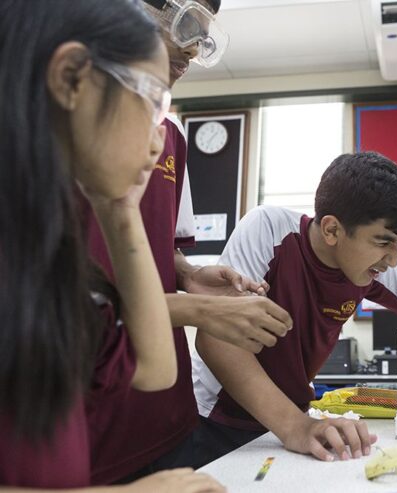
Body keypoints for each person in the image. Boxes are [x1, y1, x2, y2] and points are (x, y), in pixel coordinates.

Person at [0, 0, 222, 490]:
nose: (157, 137)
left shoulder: (54, 263)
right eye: (150, 100)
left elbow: (155, 368)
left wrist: (119, 209)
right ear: (73, 79)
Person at [83, 0, 293, 484]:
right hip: (88, 410)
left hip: (163, 407)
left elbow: (157, 249)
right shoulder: (54, 129)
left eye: (203, 31)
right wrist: (205, 313)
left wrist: (190, 274)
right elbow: (86, 304)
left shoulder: (169, 136)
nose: (193, 46)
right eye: (185, 23)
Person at [191, 152, 397, 465]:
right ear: (332, 230)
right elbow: (217, 341)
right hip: (220, 420)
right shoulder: (269, 231)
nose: (392, 260)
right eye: (383, 242)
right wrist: (296, 426)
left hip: (291, 423)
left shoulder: (373, 264)